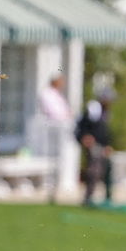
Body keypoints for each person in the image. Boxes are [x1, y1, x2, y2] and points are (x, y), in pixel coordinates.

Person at [36, 73, 74, 201]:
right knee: (52, 160)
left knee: (60, 160)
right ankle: (50, 189)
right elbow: (54, 113)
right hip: (53, 131)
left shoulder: (58, 95)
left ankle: (56, 188)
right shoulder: (46, 94)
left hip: (62, 130)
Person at [73, 91, 115, 207]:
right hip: (94, 144)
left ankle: (108, 197)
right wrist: (85, 136)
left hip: (102, 145)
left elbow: (105, 131)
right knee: (94, 171)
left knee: (107, 169)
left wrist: (107, 145)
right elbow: (85, 125)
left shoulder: (106, 111)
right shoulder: (94, 108)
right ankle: (88, 198)